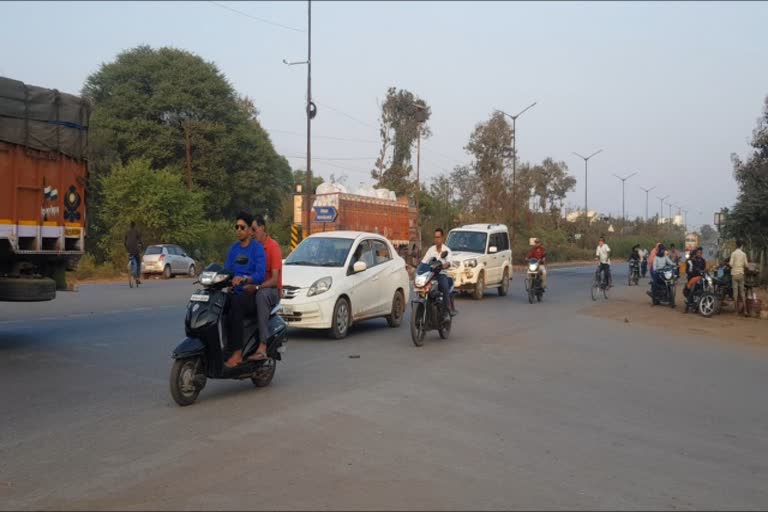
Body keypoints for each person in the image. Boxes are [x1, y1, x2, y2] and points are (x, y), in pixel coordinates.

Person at [224, 211, 266, 368]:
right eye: (237, 227)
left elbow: (260, 275)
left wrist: (245, 279)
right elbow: (226, 270)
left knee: (236, 303)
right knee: (217, 304)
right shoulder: (233, 249)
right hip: (234, 292)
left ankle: (237, 353)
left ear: (249, 230)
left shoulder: (257, 249)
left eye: (242, 227)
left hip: (249, 295)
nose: (239, 230)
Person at [245, 214, 282, 361]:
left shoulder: (273, 247)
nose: (252, 234)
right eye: (250, 230)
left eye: (254, 230)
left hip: (271, 291)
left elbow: (274, 280)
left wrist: (257, 287)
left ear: (262, 228)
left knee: (261, 295)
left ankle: (262, 345)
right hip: (256, 286)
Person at [422, 228, 456, 317]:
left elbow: (449, 263)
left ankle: (446, 310)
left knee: (444, 286)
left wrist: (443, 266)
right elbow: (424, 262)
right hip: (430, 275)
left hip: (441, 274)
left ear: (442, 238)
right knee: (421, 286)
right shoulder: (431, 250)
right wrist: (419, 268)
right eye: (435, 237)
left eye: (438, 237)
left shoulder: (447, 250)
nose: (436, 239)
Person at [729, 240, 749, 317]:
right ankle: (745, 311)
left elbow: (730, 264)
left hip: (734, 275)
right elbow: (746, 265)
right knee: (742, 293)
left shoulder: (733, 253)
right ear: (741, 246)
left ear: (736, 245)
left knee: (735, 294)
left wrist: (734, 266)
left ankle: (736, 311)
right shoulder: (744, 254)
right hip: (741, 274)